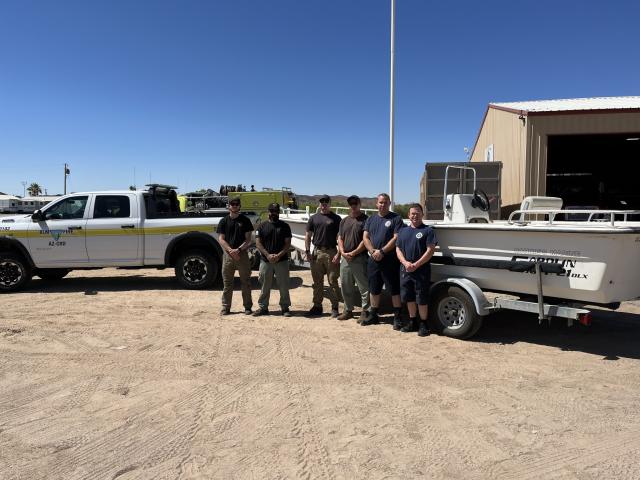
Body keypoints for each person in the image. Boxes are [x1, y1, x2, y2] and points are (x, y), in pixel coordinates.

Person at [362, 193, 404, 328]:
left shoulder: (396, 218)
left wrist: (383, 251)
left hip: (389, 259)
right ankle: (374, 315)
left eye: (385, 202)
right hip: (374, 259)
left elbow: (396, 237)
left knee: (394, 289)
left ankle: (397, 317)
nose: (382, 205)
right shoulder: (371, 219)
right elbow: (365, 237)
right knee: (374, 288)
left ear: (389, 203)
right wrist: (373, 251)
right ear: (376, 203)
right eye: (380, 202)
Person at [396, 203, 437, 336]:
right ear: (408, 215)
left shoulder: (428, 231)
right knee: (409, 297)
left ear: (422, 214)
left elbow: (430, 250)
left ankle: (423, 324)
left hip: (421, 270)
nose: (415, 215)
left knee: (421, 297)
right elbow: (398, 249)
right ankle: (412, 321)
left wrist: (417, 264)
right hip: (406, 269)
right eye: (412, 213)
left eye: (418, 213)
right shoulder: (403, 231)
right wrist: (405, 263)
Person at [305, 195, 342, 317]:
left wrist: (339, 253)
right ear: (319, 204)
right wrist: (307, 251)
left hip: (331, 251)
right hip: (317, 252)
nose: (324, 204)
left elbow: (340, 237)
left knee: (333, 281)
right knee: (317, 282)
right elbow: (308, 236)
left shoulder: (336, 218)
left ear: (330, 204)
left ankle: (335, 307)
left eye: (326, 202)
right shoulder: (313, 218)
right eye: (322, 202)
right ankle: (317, 306)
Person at [254, 203, 293, 317]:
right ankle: (263, 307)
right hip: (266, 261)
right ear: (268, 212)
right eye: (271, 211)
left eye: (276, 211)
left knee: (284, 285)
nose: (273, 213)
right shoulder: (261, 226)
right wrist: (268, 255)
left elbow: (287, 244)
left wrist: (278, 255)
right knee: (264, 285)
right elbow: (258, 243)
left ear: (278, 212)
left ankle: (285, 307)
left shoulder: (285, 226)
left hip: (282, 261)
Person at [217, 197, 254, 315]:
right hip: (228, 256)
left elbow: (248, 239)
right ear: (229, 206)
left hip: (242, 255)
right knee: (227, 283)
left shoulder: (245, 221)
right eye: (232, 204)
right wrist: (230, 250)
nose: (234, 206)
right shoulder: (223, 221)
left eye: (237, 204)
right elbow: (221, 239)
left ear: (239, 206)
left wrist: (238, 250)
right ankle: (226, 307)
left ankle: (248, 307)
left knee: (246, 282)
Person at [337, 195, 370, 322]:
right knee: (345, 285)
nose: (353, 205)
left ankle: (365, 311)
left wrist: (355, 252)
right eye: (351, 203)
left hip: (359, 258)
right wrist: (343, 252)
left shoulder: (366, 220)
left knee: (363, 287)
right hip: (345, 259)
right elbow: (340, 238)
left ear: (360, 204)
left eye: (355, 203)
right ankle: (348, 310)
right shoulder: (344, 221)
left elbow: (365, 239)